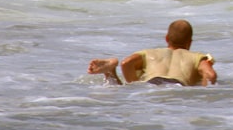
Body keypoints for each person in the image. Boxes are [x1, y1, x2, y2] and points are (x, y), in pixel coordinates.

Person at [87, 19, 217, 86]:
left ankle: (111, 71)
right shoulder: (197, 57)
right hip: (177, 86)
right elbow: (210, 75)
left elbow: (126, 63)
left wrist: (135, 84)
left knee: (123, 89)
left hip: (151, 84)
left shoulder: (149, 53)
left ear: (167, 38)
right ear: (189, 42)